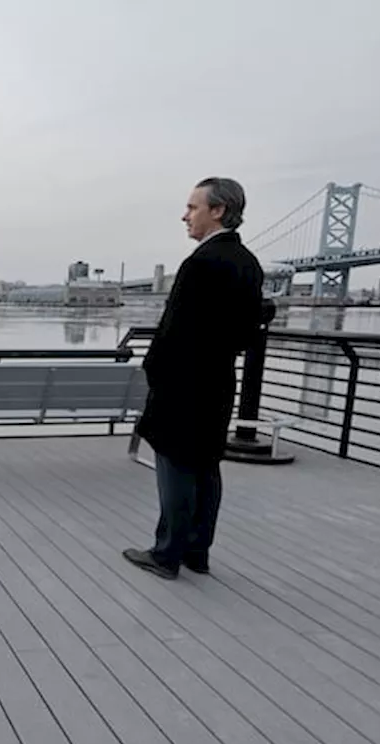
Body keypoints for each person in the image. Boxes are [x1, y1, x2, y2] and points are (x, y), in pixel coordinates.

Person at [124, 177, 264, 580]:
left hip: (183, 383)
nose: (184, 216)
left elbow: (174, 331)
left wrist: (155, 372)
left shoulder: (200, 263)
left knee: (174, 465)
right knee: (206, 465)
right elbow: (246, 332)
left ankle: (166, 553)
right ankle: (197, 552)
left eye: (192, 207)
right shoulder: (248, 263)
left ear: (217, 211)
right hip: (219, 379)